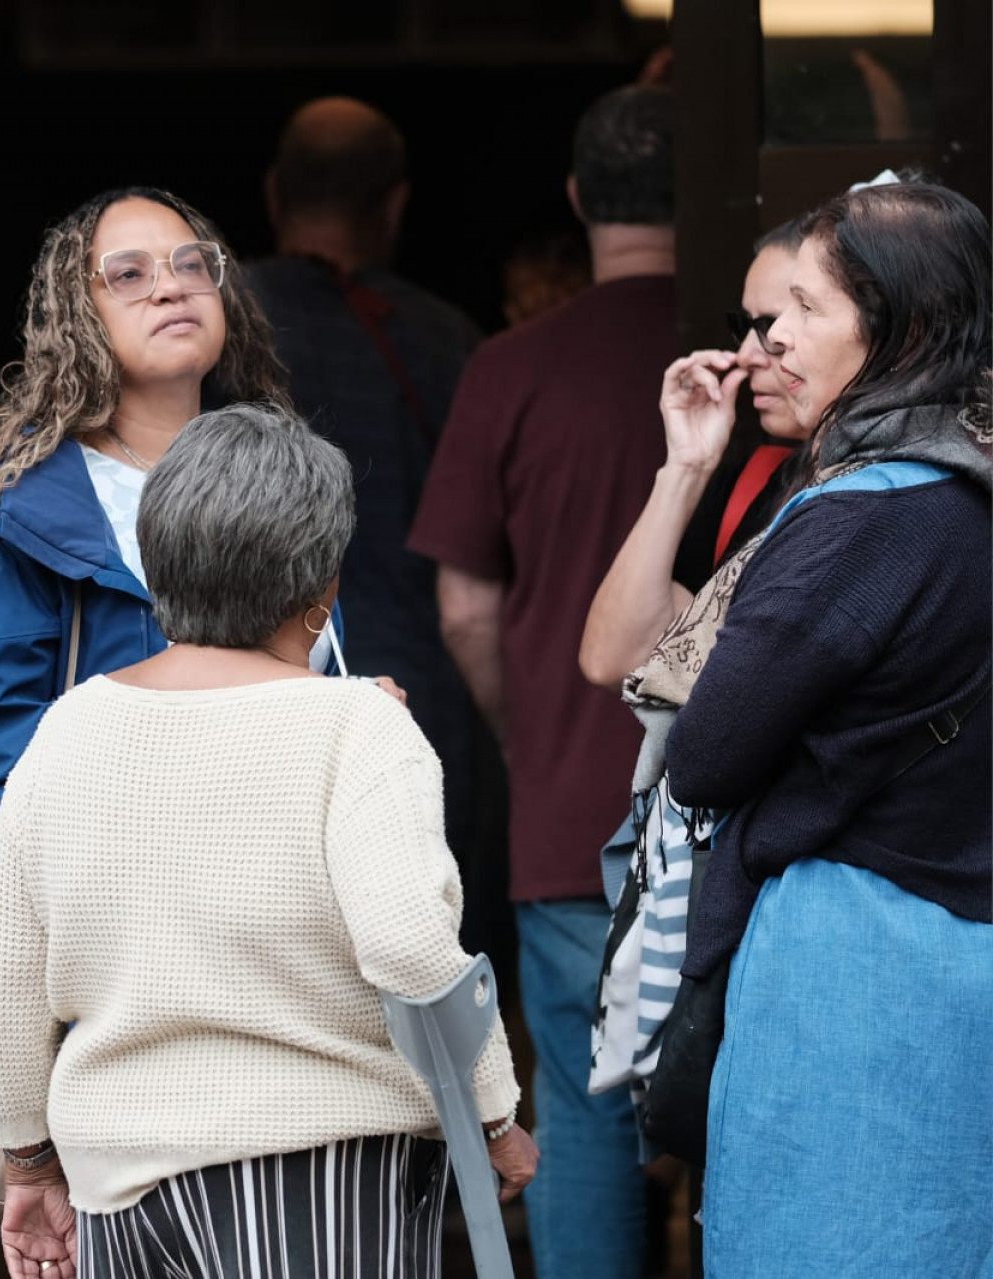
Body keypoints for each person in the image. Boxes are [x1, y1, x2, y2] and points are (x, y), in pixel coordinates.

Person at [0, 403, 536, 1279]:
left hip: (117, 1189)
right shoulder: (359, 727)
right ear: (324, 589)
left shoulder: (67, 730)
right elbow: (410, 947)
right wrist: (492, 1111)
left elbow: (12, 972)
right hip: (320, 1174)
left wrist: (27, 1162)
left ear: (155, 561)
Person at [0, 185, 308, 1018]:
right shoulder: (15, 512)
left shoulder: (283, 483)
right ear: (79, 316)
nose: (170, 287)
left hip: (260, 939)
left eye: (191, 265)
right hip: (93, 958)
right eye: (129, 275)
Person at [663, 181, 991, 1275]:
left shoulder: (865, 515)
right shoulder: (974, 482)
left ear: (902, 328)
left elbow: (705, 757)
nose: (772, 337)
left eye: (806, 307)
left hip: (858, 966)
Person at [406, 84, 678, 1279]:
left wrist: (532, 743)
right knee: (759, 1103)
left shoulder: (511, 368)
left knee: (584, 1115)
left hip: (574, 821)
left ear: (576, 199)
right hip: (756, 822)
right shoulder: (772, 359)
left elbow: (465, 608)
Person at [246, 96, 489, 892]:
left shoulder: (214, 322)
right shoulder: (450, 341)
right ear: (395, 204)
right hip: (425, 694)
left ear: (274, 193)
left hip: (249, 697)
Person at [579, 216, 810, 690]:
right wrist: (686, 467)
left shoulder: (906, 491)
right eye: (744, 326)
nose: (747, 354)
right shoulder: (751, 480)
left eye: (772, 327)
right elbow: (612, 659)